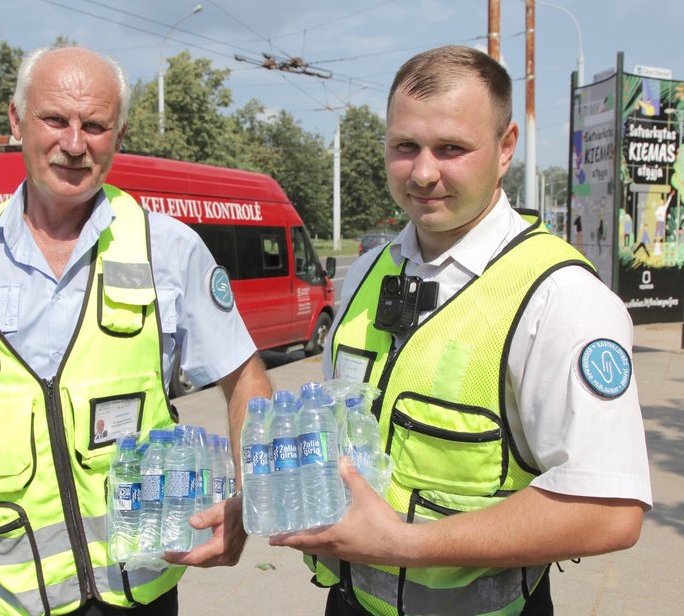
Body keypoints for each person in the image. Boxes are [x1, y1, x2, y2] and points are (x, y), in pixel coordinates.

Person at [0, 46, 272, 616]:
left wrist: (250, 500)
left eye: (95, 125)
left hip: (134, 594)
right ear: (15, 120)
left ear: (118, 134)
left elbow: (246, 378)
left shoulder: (167, 248)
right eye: (55, 119)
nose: (74, 144)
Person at [271, 46, 651, 615]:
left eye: (451, 149)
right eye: (405, 147)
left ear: (505, 149)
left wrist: (405, 545)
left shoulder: (559, 299)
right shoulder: (368, 272)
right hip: (350, 602)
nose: (424, 173)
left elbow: (609, 510)